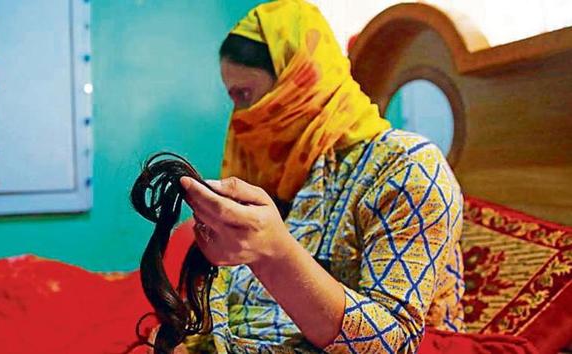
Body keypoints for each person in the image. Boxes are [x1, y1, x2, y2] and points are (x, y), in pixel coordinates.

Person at [178, 0, 464, 352]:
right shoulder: (266, 173)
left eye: (247, 95)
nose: (240, 118)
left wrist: (275, 254)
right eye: (233, 98)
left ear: (298, 84)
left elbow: (394, 344)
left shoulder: (407, 170)